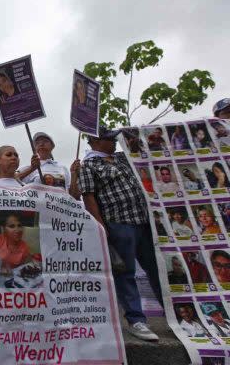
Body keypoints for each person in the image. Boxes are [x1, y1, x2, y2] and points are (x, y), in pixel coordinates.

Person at [78, 126, 162, 342]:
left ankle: (176, 314)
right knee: (125, 273)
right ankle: (136, 320)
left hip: (144, 222)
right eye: (108, 139)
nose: (113, 142)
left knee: (158, 269)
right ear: (95, 141)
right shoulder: (88, 164)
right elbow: (89, 196)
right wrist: (99, 224)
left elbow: (139, 144)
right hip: (118, 223)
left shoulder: (123, 158)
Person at [17, 132, 80, 199]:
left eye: (45, 141)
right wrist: (31, 168)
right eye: (37, 143)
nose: (41, 144)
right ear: (35, 148)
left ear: (52, 146)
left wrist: (74, 175)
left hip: (60, 208)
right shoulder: (28, 167)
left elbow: (74, 197)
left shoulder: (62, 168)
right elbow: (11, 178)